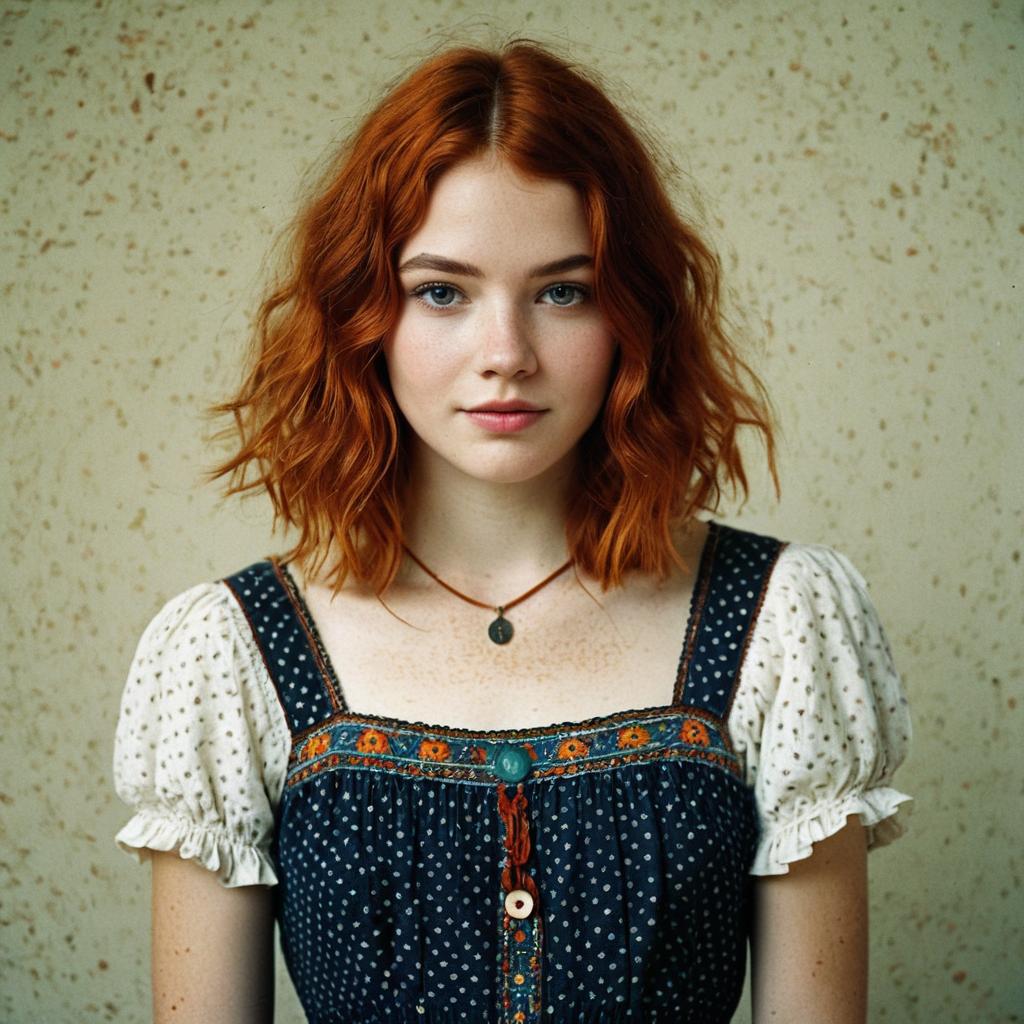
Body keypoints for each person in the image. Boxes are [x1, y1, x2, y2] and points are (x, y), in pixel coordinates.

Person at [112, 37, 912, 1024]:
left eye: (562, 290)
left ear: (632, 313)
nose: (506, 354)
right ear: (365, 311)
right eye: (441, 290)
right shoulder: (230, 654)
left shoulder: (782, 623)